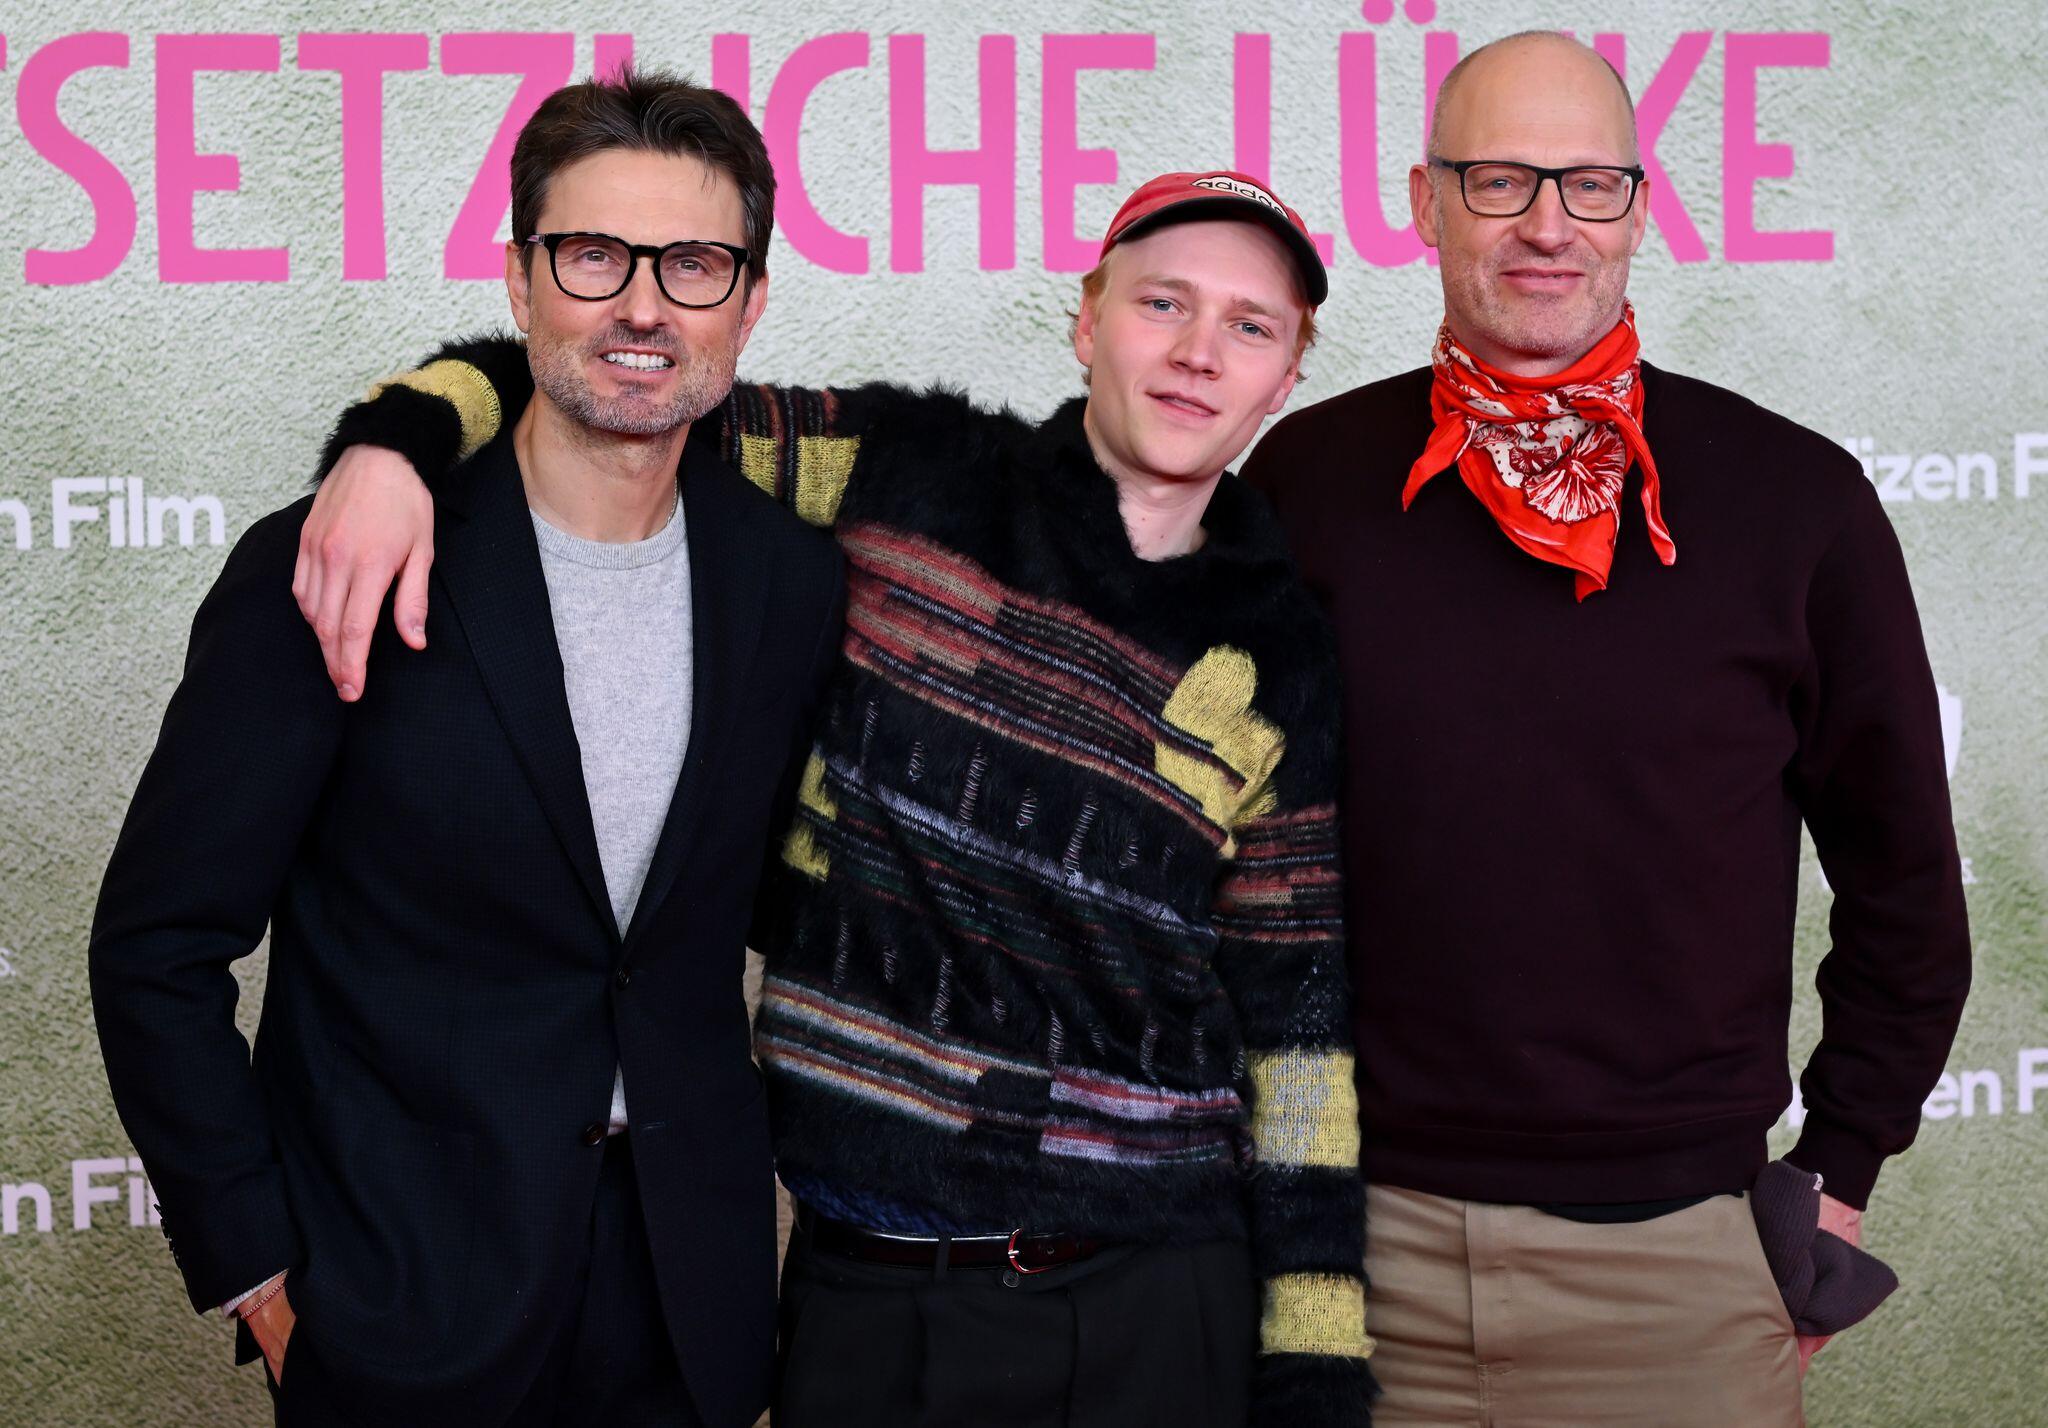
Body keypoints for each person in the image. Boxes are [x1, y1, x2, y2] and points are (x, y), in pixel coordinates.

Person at [286, 169, 1373, 1425]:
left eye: (1249, 326)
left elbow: (1296, 1028)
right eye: (1162, 303)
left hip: (1149, 1296)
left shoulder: (1278, 654)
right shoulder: (905, 469)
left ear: (1286, 376)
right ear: (1086, 320)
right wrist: (393, 445)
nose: (1197, 353)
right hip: (859, 1284)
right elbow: (622, 391)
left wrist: (1314, 1371)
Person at [89, 69, 843, 1428]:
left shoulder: (788, 579)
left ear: (750, 301)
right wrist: (255, 1267)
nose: (642, 305)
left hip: (688, 1312)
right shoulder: (340, 560)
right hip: (401, 1305)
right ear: (518, 278)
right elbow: (156, 947)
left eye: (693, 263)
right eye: (593, 254)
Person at [1239, 31, 1971, 1427]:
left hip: (1679, 1273)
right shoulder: (1307, 485)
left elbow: (1907, 894)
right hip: (1355, 1257)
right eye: (1499, 180)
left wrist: (1838, 1174)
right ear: (1425, 202)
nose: (1546, 225)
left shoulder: (1794, 502)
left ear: (1638, 210)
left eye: (1588, 184)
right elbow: (1219, 865)